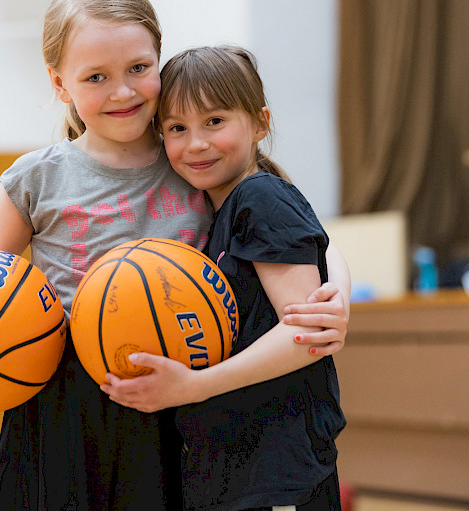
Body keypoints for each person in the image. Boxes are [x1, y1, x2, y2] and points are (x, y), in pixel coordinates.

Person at [0, 0, 349, 511]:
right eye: (96, 77)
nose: (123, 91)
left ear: (159, 58)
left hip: (177, 401)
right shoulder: (33, 181)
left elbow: (298, 228)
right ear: (60, 83)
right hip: (58, 408)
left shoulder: (192, 157)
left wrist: (335, 292)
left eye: (138, 68)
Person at [107, 45, 345, 511]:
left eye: (214, 121)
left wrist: (194, 387)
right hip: (234, 467)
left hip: (278, 468)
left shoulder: (260, 197)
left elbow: (306, 333)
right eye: (177, 128)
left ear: (260, 122)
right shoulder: (218, 213)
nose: (196, 143)